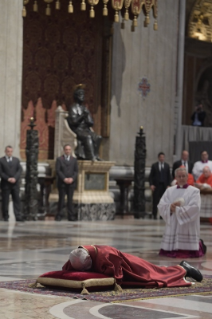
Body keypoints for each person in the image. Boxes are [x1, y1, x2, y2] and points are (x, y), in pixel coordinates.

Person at [62, 245, 203, 288]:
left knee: (153, 276)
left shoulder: (104, 255)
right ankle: (180, 268)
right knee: (157, 272)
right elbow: (68, 268)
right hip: (128, 266)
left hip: (133, 267)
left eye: (86, 268)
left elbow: (117, 276)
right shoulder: (78, 255)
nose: (85, 271)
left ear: (88, 258)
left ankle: (183, 268)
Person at [158, 167, 206, 258]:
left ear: (187, 177)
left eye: (183, 176)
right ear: (175, 177)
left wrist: (177, 210)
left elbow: (195, 207)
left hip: (187, 224)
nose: (181, 178)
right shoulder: (169, 191)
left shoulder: (194, 191)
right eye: (179, 176)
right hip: (173, 221)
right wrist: (169, 207)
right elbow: (161, 205)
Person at [67, 84, 102, 161]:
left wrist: (88, 116)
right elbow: (73, 122)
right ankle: (91, 157)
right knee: (87, 137)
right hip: (77, 130)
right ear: (76, 96)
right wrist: (82, 116)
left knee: (98, 137)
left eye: (83, 95)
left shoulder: (84, 108)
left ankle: (96, 156)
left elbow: (91, 123)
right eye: (80, 95)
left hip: (86, 129)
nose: (83, 96)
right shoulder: (73, 107)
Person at [0, 145, 23, 222]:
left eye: (11, 151)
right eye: (8, 151)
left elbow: (19, 170)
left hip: (15, 184)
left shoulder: (16, 160)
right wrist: (8, 178)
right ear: (5, 152)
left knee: (16, 200)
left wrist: (15, 178)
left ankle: (18, 215)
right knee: (5, 201)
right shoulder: (1, 160)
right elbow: (1, 172)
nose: (9, 153)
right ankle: (6, 216)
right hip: (5, 184)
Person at [55, 144, 78, 221]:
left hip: (71, 183)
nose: (68, 151)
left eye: (69, 149)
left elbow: (76, 171)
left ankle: (71, 216)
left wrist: (72, 178)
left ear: (70, 150)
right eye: (66, 149)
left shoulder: (74, 160)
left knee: (70, 200)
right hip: (62, 183)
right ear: (64, 150)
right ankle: (59, 215)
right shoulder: (59, 159)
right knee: (61, 199)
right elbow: (58, 170)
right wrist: (64, 178)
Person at [149, 152, 171, 219]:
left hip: (164, 186)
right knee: (155, 200)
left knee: (163, 201)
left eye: (163, 157)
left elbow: (168, 176)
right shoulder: (154, 165)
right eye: (161, 157)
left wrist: (168, 185)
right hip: (156, 185)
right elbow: (151, 176)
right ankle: (154, 214)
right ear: (158, 158)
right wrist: (151, 184)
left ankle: (162, 215)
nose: (162, 158)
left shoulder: (167, 166)